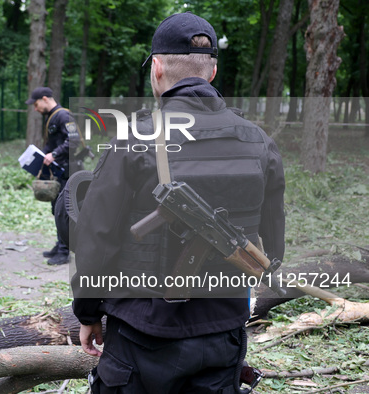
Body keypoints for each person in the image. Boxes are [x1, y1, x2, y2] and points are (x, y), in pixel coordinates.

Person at [71, 12, 285, 393]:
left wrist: (87, 313)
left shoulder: (132, 140)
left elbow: (95, 240)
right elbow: (273, 243)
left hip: (139, 334)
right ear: (213, 72)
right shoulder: (259, 142)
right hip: (223, 333)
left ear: (156, 68)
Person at [26, 86, 80, 265]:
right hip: (58, 171)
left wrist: (54, 154)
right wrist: (39, 156)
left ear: (44, 99)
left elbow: (74, 140)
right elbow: (52, 143)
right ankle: (60, 245)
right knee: (56, 209)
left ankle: (65, 252)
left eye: (36, 104)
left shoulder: (64, 115)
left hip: (68, 171)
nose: (35, 108)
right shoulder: (52, 117)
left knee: (64, 211)